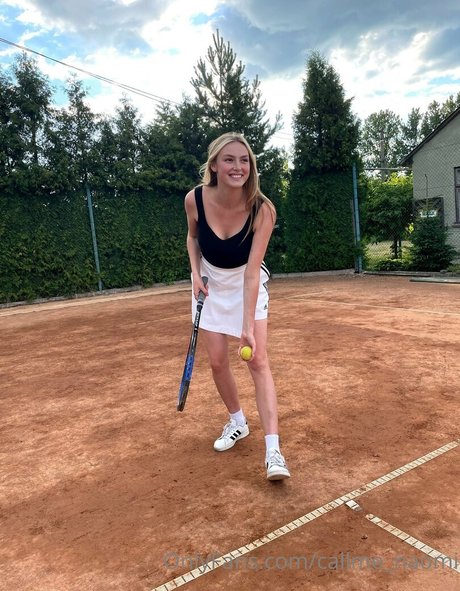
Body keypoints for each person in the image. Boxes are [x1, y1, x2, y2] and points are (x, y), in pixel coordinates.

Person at [184, 131, 290, 481]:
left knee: (257, 360)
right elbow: (193, 238)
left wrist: (247, 326)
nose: (238, 167)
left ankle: (273, 451)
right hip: (210, 285)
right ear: (214, 165)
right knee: (217, 361)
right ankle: (238, 422)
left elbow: (251, 274)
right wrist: (195, 274)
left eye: (244, 160)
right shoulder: (194, 200)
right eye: (229, 159)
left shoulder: (263, 210)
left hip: (247, 284)